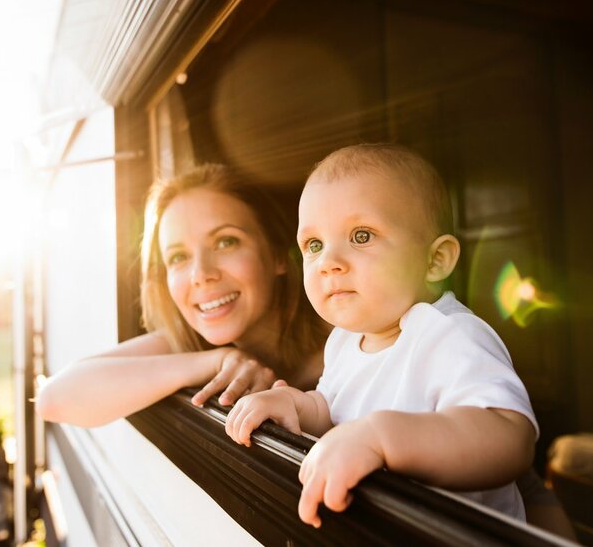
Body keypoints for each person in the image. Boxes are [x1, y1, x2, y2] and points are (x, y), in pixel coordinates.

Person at [225, 144, 539, 527]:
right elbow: (333, 412)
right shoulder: (344, 340)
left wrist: (382, 438)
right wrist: (295, 405)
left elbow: (509, 438)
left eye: (361, 236)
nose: (328, 263)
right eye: (314, 245)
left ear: (435, 260)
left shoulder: (449, 334)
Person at [36, 163, 328, 427]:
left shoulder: (349, 343)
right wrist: (217, 360)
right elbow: (54, 399)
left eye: (226, 242)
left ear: (277, 255)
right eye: (178, 257)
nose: (200, 274)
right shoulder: (188, 341)